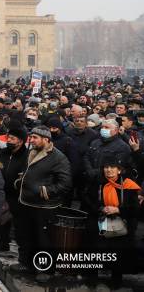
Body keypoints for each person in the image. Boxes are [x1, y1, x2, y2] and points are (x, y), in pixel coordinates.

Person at [10, 126, 72, 281]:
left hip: (44, 207)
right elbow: (27, 173)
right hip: (26, 203)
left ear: (46, 140)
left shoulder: (59, 158)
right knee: (25, 236)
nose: (31, 140)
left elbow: (65, 184)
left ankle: (45, 269)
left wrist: (43, 191)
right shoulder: (32, 152)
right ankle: (25, 263)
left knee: (43, 239)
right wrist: (20, 181)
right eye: (31, 137)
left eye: (35, 137)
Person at [83, 156, 141, 287]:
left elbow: (136, 210)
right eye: (106, 167)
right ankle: (92, 279)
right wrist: (100, 208)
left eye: (112, 167)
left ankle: (116, 280)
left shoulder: (128, 185)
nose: (108, 170)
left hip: (120, 224)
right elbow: (86, 199)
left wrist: (118, 210)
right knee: (95, 250)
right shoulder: (97, 182)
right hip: (99, 221)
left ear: (119, 170)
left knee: (118, 251)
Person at [0, 121, 28, 253]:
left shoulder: (26, 156)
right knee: (2, 220)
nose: (9, 140)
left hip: (17, 194)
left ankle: (22, 250)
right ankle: (3, 244)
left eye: (12, 139)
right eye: (8, 137)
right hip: (2, 193)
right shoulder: (2, 152)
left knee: (19, 224)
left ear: (20, 141)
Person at [83, 118, 131, 185]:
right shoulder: (95, 142)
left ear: (116, 130)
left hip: (108, 183)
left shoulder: (122, 146)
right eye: (102, 127)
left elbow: (118, 166)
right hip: (90, 181)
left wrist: (95, 172)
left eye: (107, 127)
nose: (103, 129)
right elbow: (87, 156)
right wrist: (89, 170)